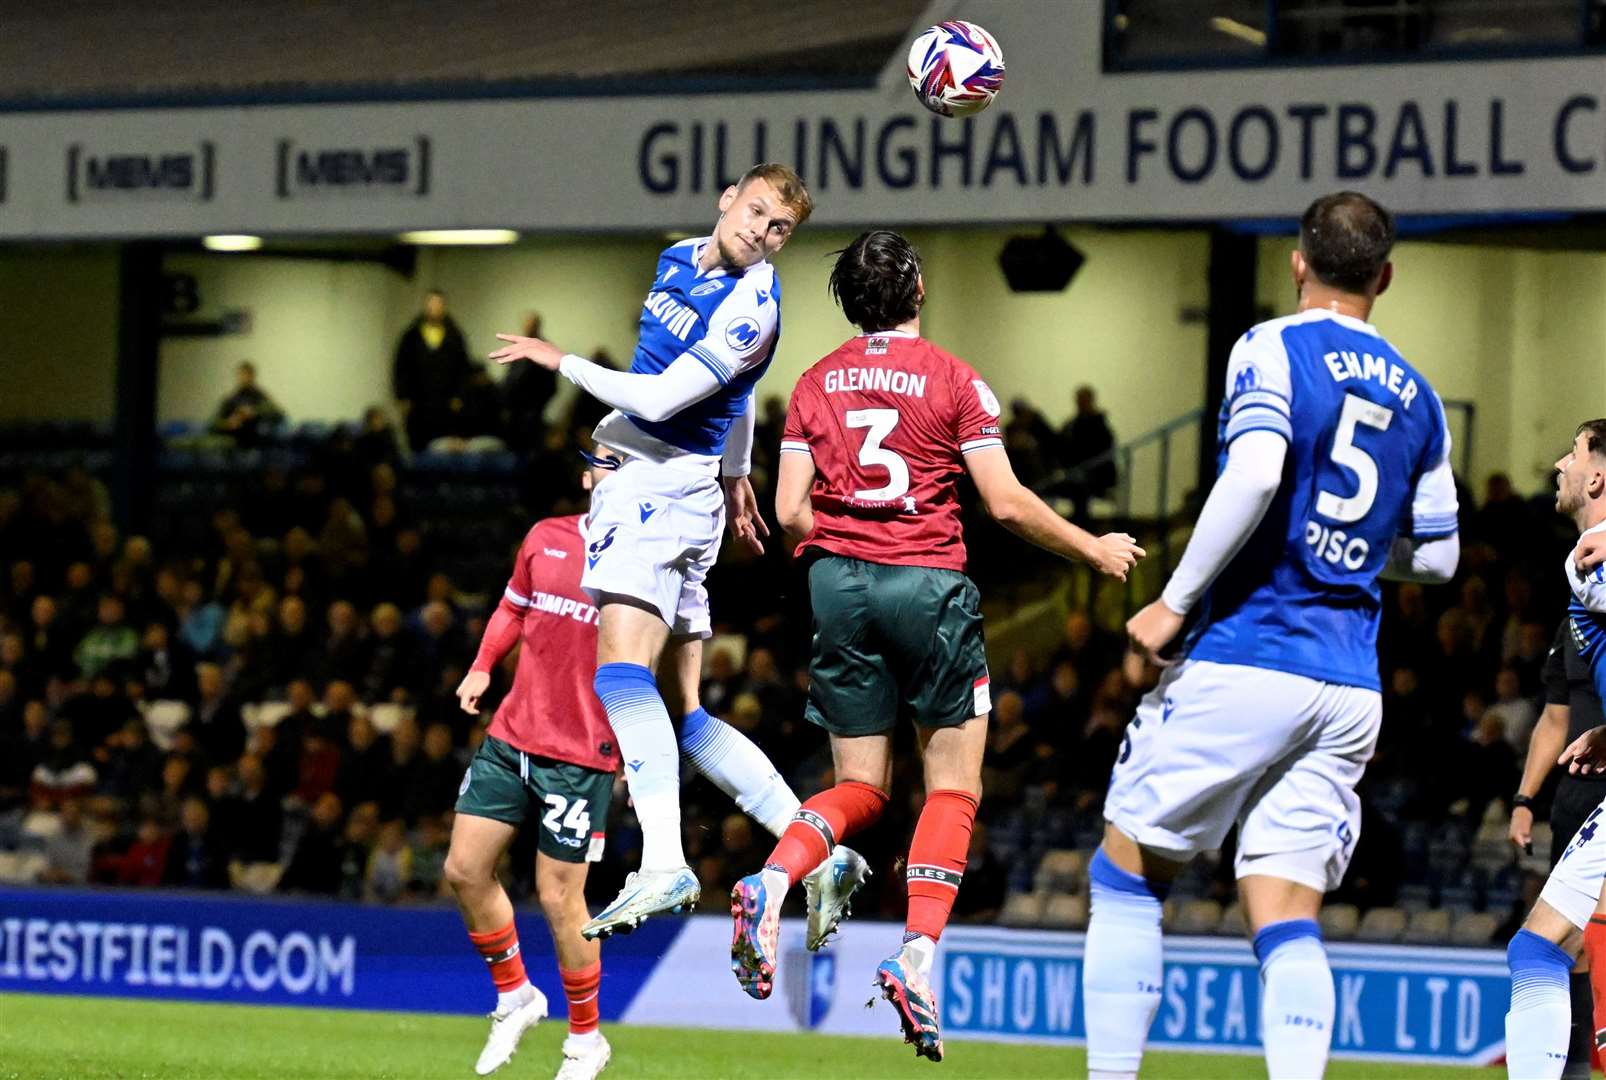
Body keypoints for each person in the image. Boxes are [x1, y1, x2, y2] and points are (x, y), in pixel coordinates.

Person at [726, 229, 1141, 1059]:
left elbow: (792, 511)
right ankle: (917, 955)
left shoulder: (812, 383)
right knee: (952, 785)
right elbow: (1008, 505)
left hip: (837, 585)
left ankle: (772, 880)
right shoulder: (954, 379)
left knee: (861, 789)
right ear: (916, 290)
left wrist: (848, 544)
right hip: (927, 584)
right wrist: (1094, 548)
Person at [1086, 191, 1459, 1080]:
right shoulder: (1425, 397)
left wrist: (1175, 599)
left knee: (1127, 871)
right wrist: (1356, 550)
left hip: (1252, 648)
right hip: (1348, 683)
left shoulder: (1272, 346)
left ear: (1298, 263)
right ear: (1387, 276)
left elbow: (1254, 473)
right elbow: (1439, 559)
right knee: (1285, 910)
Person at [446, 448, 862, 1080]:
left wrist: (639, 754)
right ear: (587, 476)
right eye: (606, 463)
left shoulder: (652, 558)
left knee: (563, 898)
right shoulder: (545, 538)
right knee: (463, 869)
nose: (617, 471)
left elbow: (661, 673)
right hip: (512, 737)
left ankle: (586, 1041)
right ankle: (517, 996)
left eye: (627, 463)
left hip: (582, 754)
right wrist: (481, 666)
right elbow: (511, 606)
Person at [490, 162, 821, 939]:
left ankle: (666, 859)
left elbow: (663, 397)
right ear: (727, 199)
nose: (762, 233)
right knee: (681, 708)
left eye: (780, 229)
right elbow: (734, 400)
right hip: (671, 487)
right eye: (758, 212)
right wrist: (739, 473)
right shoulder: (678, 259)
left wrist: (559, 360)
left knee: (619, 674)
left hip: (659, 492)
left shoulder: (753, 302)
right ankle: (814, 845)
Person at [1504, 421, 1606, 1078]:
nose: (1558, 464)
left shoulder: (1593, 557)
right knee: (1539, 949)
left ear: (1597, 477)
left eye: (1572, 452)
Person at [393, 289, 473, 452]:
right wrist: (402, 397)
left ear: (444, 307)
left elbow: (464, 370)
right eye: (430, 304)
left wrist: (459, 396)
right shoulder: (411, 335)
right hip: (417, 404)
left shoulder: (455, 336)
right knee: (416, 448)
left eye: (437, 304)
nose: (433, 308)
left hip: (446, 405)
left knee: (442, 449)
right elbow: (400, 368)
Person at [209, 361, 285, 447]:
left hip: (255, 437)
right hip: (234, 437)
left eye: (247, 375)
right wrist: (228, 423)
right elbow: (214, 423)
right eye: (241, 375)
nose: (244, 378)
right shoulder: (231, 399)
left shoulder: (260, 396)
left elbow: (278, 414)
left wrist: (254, 412)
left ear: (253, 376)